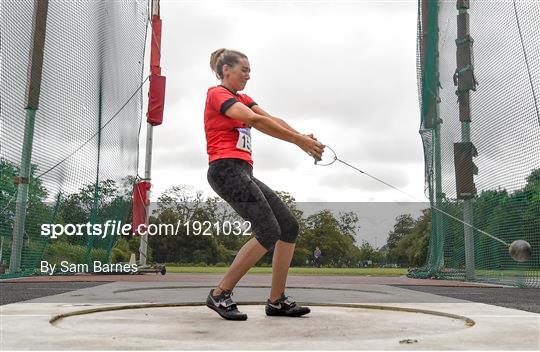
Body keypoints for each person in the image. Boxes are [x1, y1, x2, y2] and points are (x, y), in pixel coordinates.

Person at [204, 48, 325, 320]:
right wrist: (298, 141)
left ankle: (276, 301)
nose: (248, 74)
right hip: (225, 170)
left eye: (250, 70)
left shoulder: (243, 97)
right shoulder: (217, 94)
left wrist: (301, 136)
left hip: (243, 172)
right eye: (243, 69)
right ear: (226, 70)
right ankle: (220, 293)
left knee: (288, 227)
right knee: (268, 230)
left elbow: (270, 119)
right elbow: (254, 121)